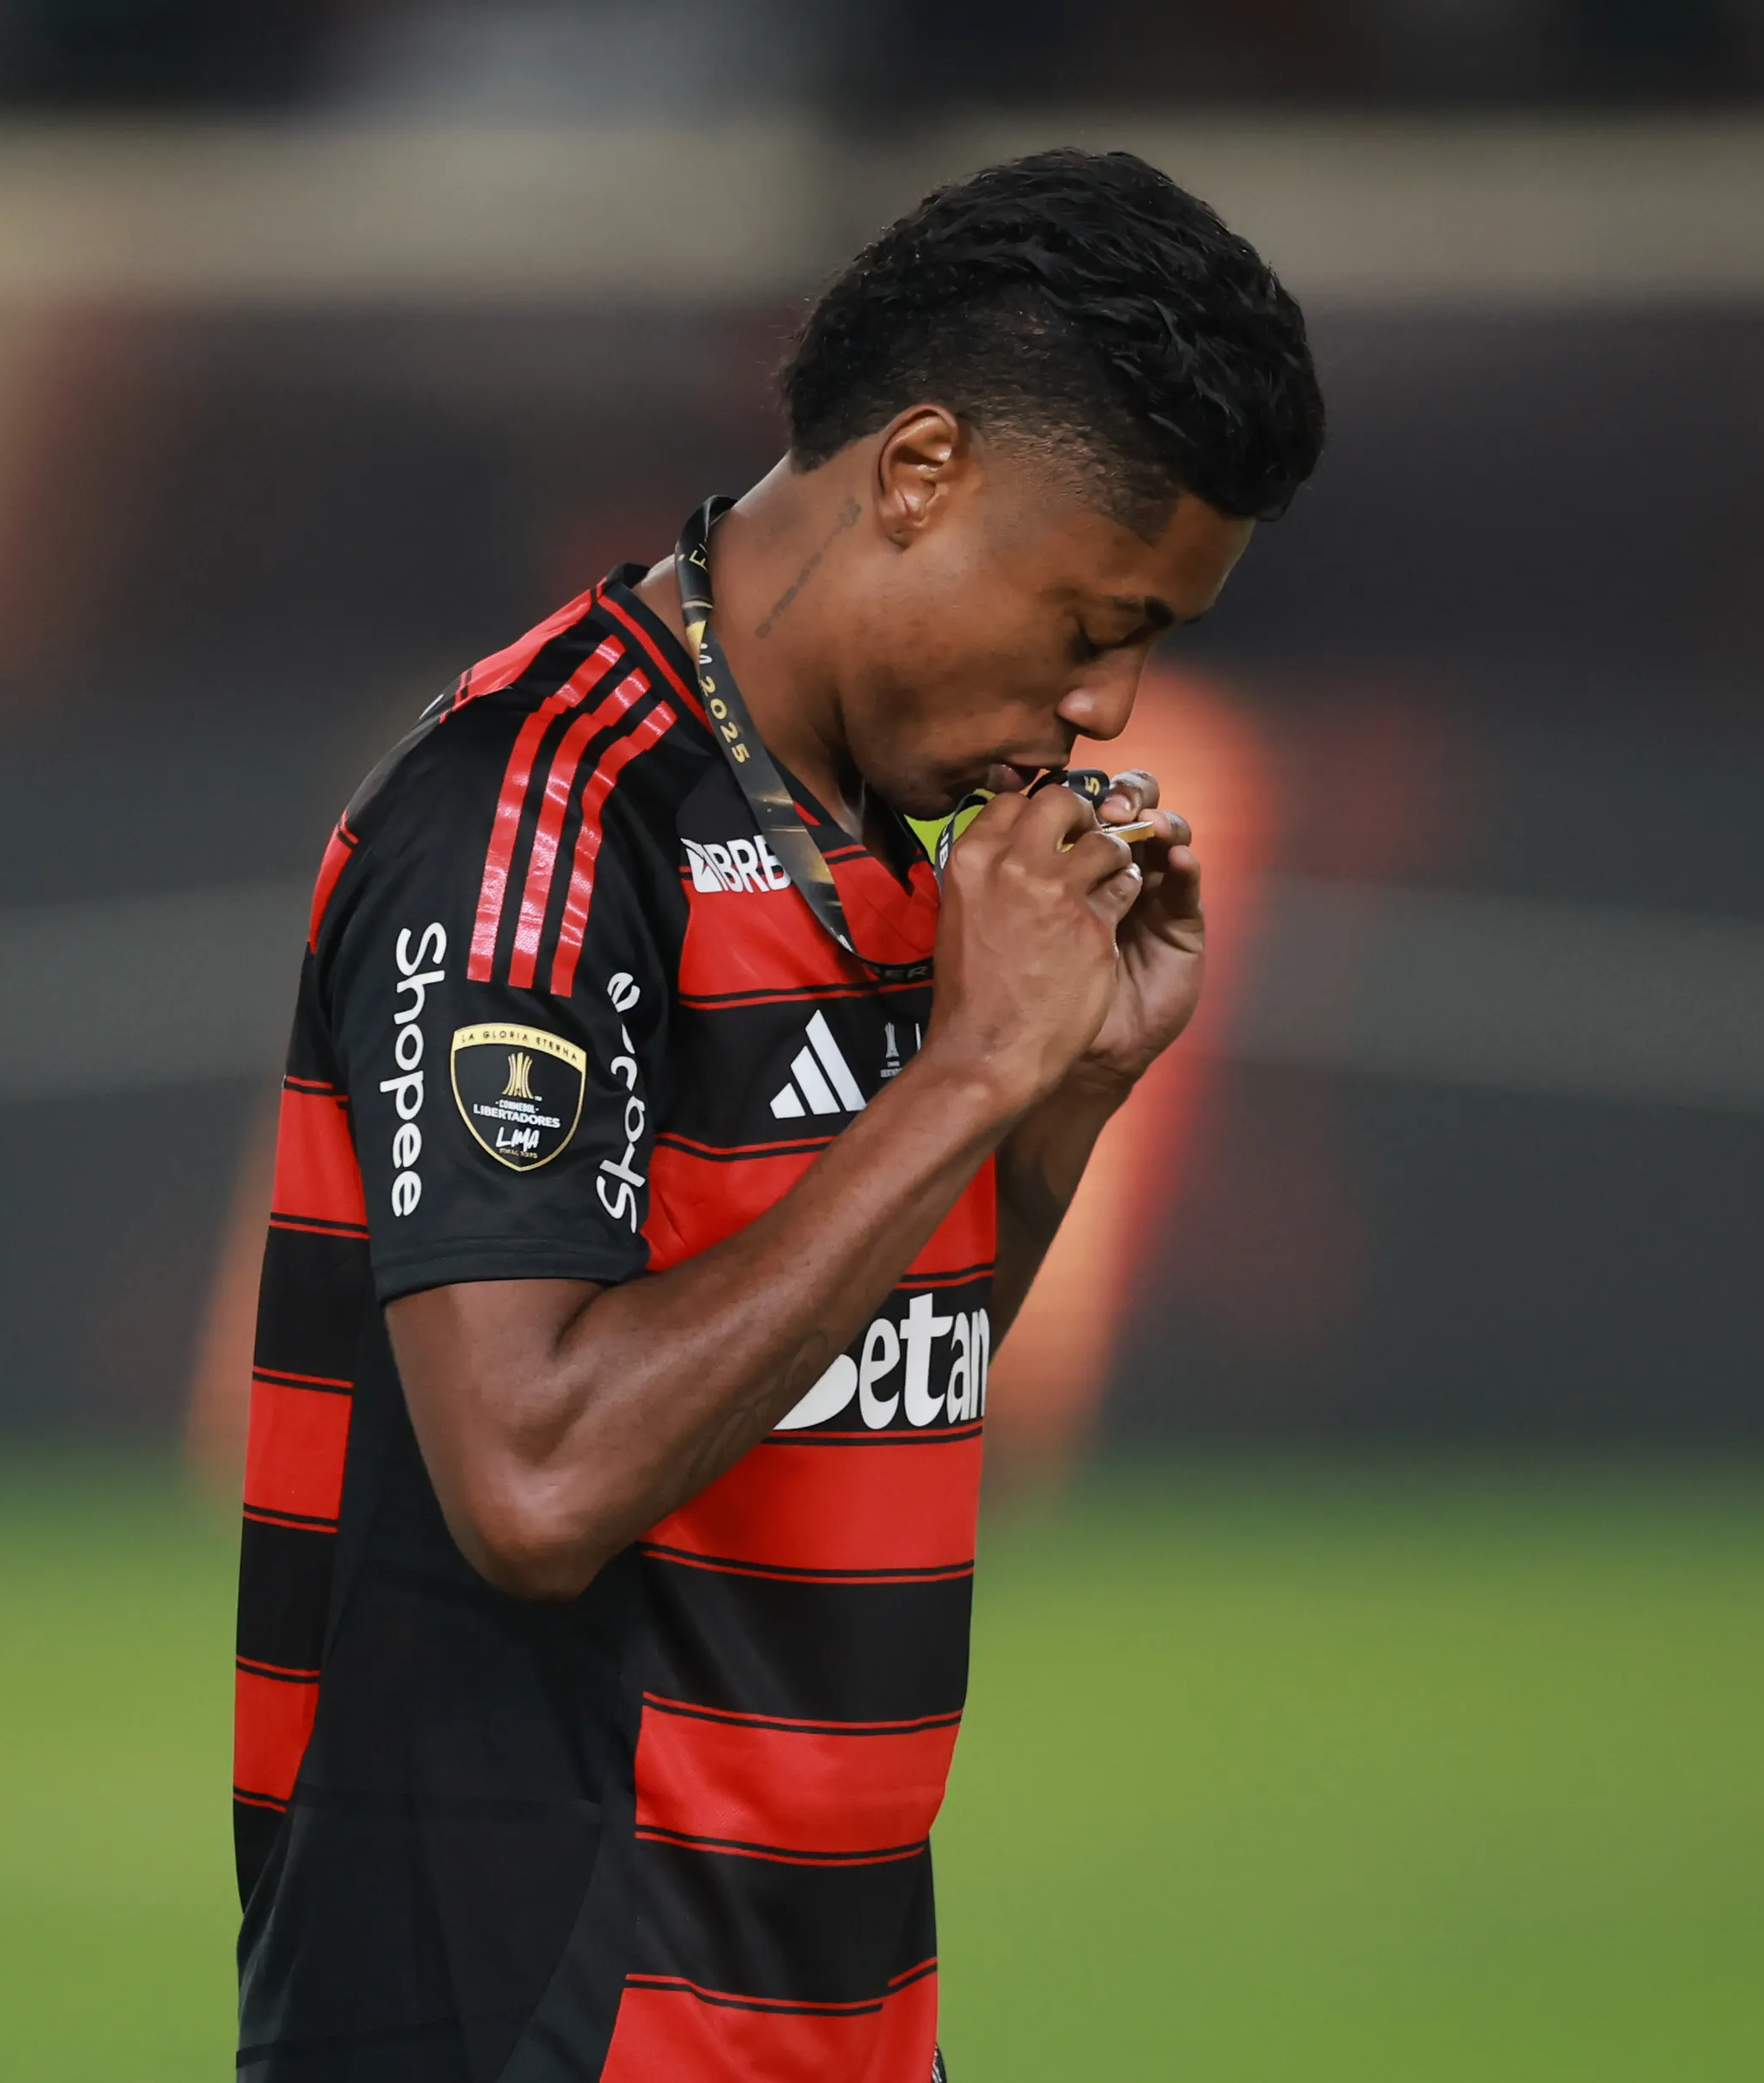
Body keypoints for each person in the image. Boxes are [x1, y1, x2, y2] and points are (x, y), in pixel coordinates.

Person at [228, 148, 1324, 2082]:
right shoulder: (535, 819)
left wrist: (1055, 1100)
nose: (1112, 706)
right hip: (538, 2029)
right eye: (1094, 621)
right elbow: (537, 1482)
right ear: (920, 472)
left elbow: (854, 1382)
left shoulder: (889, 836)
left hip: (835, 2023)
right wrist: (968, 1073)